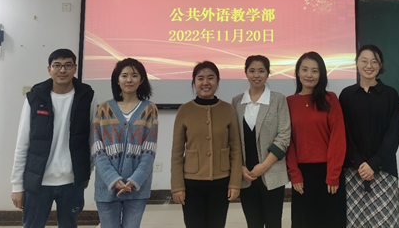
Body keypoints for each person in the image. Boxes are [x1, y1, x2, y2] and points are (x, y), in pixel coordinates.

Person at [11, 49, 96, 228]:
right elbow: (22, 143)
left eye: (67, 65)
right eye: (57, 65)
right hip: (38, 181)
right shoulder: (35, 97)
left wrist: (86, 171)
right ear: (49, 69)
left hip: (71, 181)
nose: (62, 70)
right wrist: (17, 185)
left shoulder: (87, 96)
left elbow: (92, 140)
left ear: (75, 68)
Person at [171, 61, 242, 228]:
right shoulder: (184, 110)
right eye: (200, 78)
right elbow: (176, 153)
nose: (205, 82)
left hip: (221, 182)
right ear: (194, 82)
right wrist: (177, 186)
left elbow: (236, 150)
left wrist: (235, 183)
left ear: (217, 81)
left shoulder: (228, 109)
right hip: (191, 184)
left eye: (211, 78)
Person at [339, 44, 399, 227]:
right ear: (357, 63)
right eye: (364, 61)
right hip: (353, 170)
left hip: (384, 169)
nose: (369, 66)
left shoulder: (390, 95)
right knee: (354, 222)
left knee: (385, 222)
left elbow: (393, 134)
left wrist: (373, 164)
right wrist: (360, 163)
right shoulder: (346, 95)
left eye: (374, 61)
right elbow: (344, 134)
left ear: (380, 65)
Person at [92, 58, 159, 228]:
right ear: (117, 79)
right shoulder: (104, 109)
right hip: (107, 186)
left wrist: (134, 180)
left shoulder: (149, 109)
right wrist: (112, 179)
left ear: (141, 80)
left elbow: (149, 151)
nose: (129, 80)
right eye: (124, 75)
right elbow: (97, 149)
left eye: (134, 75)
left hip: (136, 188)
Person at [286, 51, 346, 228]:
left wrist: (333, 175)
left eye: (315, 71)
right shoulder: (289, 102)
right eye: (304, 69)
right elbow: (288, 142)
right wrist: (294, 174)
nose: (309, 75)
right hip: (302, 174)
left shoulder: (330, 99)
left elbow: (338, 138)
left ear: (321, 74)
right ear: (297, 72)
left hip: (328, 173)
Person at [232, 55, 291, 228]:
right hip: (246, 175)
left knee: (273, 223)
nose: (256, 75)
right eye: (252, 71)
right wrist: (240, 168)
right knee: (253, 223)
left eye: (261, 71)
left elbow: (284, 136)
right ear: (246, 73)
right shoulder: (236, 102)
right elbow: (232, 138)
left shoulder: (278, 99)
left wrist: (263, 166)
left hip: (271, 173)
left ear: (268, 73)